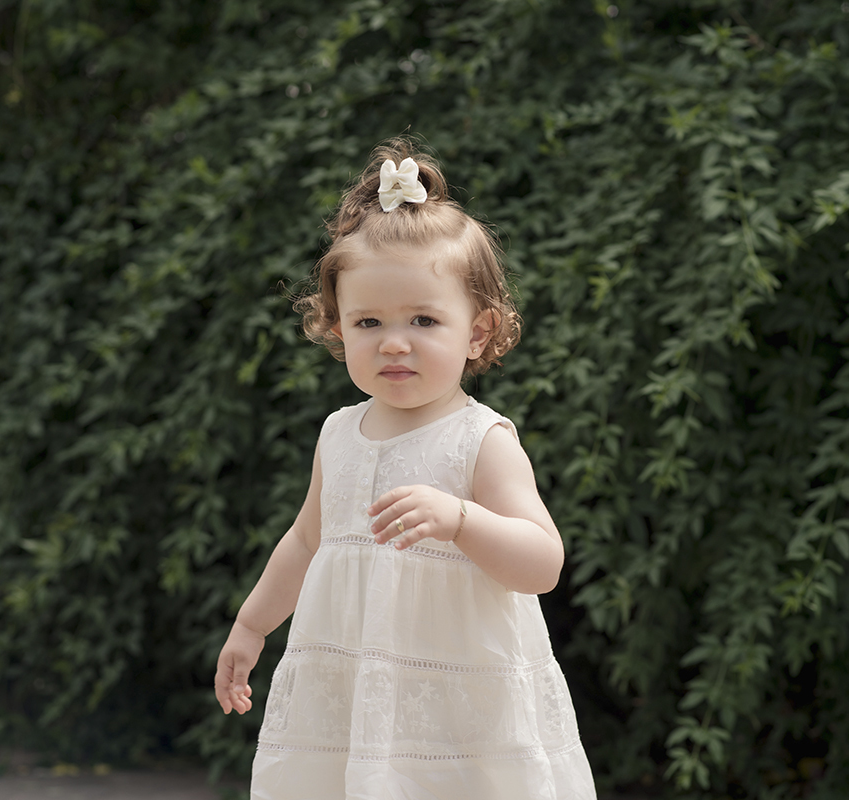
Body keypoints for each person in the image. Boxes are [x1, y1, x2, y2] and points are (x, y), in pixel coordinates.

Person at [214, 138, 596, 800]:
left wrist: (462, 519)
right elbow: (307, 542)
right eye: (368, 321)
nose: (394, 341)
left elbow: (542, 563)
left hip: (459, 710)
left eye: (424, 319)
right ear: (337, 329)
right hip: (357, 700)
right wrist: (251, 626)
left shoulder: (481, 440)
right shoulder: (339, 434)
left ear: (477, 332)